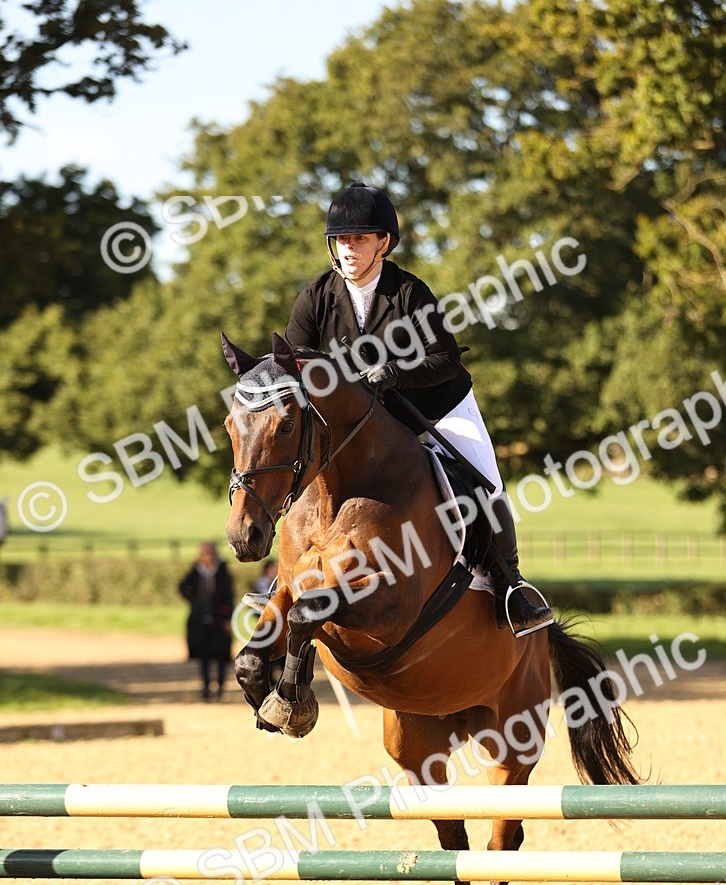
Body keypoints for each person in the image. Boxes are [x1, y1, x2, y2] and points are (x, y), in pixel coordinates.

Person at [285, 181, 551, 635]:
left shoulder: (408, 292)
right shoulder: (318, 296)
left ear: (383, 243)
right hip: (367, 424)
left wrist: (395, 373)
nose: (349, 248)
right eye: (342, 240)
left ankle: (512, 586)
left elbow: (447, 360)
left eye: (361, 239)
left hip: (435, 407)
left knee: (484, 482)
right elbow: (294, 364)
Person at [178, 543, 234, 700]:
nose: (207, 556)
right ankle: (205, 686)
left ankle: (221, 686)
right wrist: (194, 601)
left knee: (221, 654)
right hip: (200, 620)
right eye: (204, 553)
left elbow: (229, 596)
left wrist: (228, 618)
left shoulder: (222, 572)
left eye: (210, 553)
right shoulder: (196, 571)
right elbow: (182, 586)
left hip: (219, 620)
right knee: (203, 655)